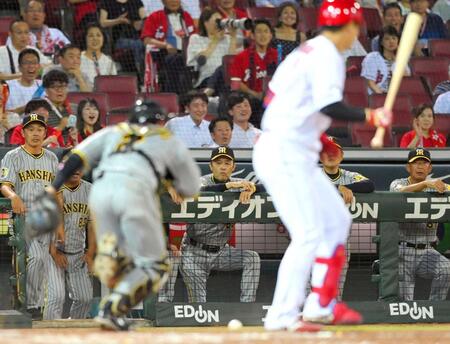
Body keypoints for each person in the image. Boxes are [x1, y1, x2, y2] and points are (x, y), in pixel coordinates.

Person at [252, 0, 391, 331]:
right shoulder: (328, 54)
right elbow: (329, 104)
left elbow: (276, 101)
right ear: (350, 26)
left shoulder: (306, 51)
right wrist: (369, 115)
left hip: (292, 148)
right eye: (356, 26)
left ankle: (320, 303)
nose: (356, 33)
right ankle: (282, 315)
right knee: (309, 233)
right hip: (285, 152)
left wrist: (321, 140)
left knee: (337, 218)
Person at [42, 100, 201, 330]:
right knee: (155, 266)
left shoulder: (114, 131)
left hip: (100, 192)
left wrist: (52, 187)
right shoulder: (166, 140)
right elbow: (191, 187)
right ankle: (112, 307)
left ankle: (113, 258)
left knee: (121, 259)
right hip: (135, 191)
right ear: (159, 121)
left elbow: (75, 157)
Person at [178, 146, 261, 303]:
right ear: (211, 166)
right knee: (199, 308)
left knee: (252, 258)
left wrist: (253, 188)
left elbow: (262, 188)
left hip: (222, 252)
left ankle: (247, 306)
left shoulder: (239, 183)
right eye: (218, 163)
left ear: (233, 167)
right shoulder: (202, 181)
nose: (223, 167)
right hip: (194, 252)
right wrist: (229, 186)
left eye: (227, 163)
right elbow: (198, 190)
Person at [0, 114, 59, 320]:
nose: (35, 133)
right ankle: (27, 302)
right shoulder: (13, 156)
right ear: (23, 132)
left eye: (39, 129)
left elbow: (57, 191)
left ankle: (33, 306)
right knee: (27, 261)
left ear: (45, 132)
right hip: (21, 218)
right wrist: (13, 195)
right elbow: (4, 184)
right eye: (31, 129)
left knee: (36, 259)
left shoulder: (52, 158)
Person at [390, 148, 450, 301]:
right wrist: (425, 184)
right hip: (403, 250)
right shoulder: (398, 183)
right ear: (408, 167)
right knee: (405, 299)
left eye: (424, 163)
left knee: (446, 269)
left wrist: (442, 188)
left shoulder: (438, 185)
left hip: (427, 251)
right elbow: (400, 192)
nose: (420, 166)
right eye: (415, 163)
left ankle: (434, 309)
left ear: (430, 168)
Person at [319, 136, 375, 299]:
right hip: (314, 239)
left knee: (336, 287)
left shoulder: (348, 175)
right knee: (311, 285)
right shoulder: (312, 174)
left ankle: (331, 317)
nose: (330, 154)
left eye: (334, 151)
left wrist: (345, 186)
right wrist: (338, 187)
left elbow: (369, 185)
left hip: (340, 242)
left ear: (341, 156)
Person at [43, 169, 95, 320]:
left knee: (85, 299)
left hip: (78, 253)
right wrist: (53, 251)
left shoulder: (90, 190)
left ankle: (74, 332)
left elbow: (92, 225)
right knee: (56, 298)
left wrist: (90, 253)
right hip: (53, 252)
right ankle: (48, 337)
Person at [230, 19, 278, 127]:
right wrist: (254, 94)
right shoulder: (241, 57)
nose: (263, 35)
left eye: (266, 31)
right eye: (259, 31)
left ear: (271, 35)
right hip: (251, 99)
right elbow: (235, 83)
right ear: (252, 35)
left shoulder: (277, 56)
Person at [141, 0, 196, 94]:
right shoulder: (155, 16)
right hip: (164, 54)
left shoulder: (187, 16)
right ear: (163, 2)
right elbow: (146, 40)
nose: (173, 2)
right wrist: (165, 45)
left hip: (187, 54)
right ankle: (175, 95)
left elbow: (195, 36)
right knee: (176, 60)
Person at [186, 7, 237, 90]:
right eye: (217, 21)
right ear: (206, 23)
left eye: (221, 21)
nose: (220, 24)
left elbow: (231, 60)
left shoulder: (227, 38)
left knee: (226, 72)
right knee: (221, 70)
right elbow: (201, 60)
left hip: (227, 77)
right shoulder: (196, 38)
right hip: (206, 79)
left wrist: (233, 37)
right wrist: (215, 40)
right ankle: (210, 91)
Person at [99, 0, 146, 74]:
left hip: (137, 36)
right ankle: (140, 72)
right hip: (117, 38)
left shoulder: (137, 2)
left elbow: (145, 19)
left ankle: (142, 73)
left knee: (143, 44)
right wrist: (118, 21)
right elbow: (102, 23)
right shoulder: (106, 2)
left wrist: (139, 24)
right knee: (138, 45)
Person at [361, 26, 410, 95]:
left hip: (397, 97)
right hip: (376, 96)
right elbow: (369, 81)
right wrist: (381, 96)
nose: (391, 41)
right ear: (381, 42)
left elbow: (405, 81)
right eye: (387, 39)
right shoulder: (372, 57)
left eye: (394, 38)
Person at [81, 24, 118, 90]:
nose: (95, 38)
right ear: (85, 38)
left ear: (104, 38)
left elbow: (113, 85)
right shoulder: (77, 58)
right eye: (91, 36)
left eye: (98, 35)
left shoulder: (109, 62)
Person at [6, 49, 42, 114]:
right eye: (26, 63)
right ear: (19, 67)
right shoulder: (7, 87)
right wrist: (23, 109)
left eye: (34, 63)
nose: (31, 66)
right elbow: (2, 114)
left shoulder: (44, 87)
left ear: (39, 67)